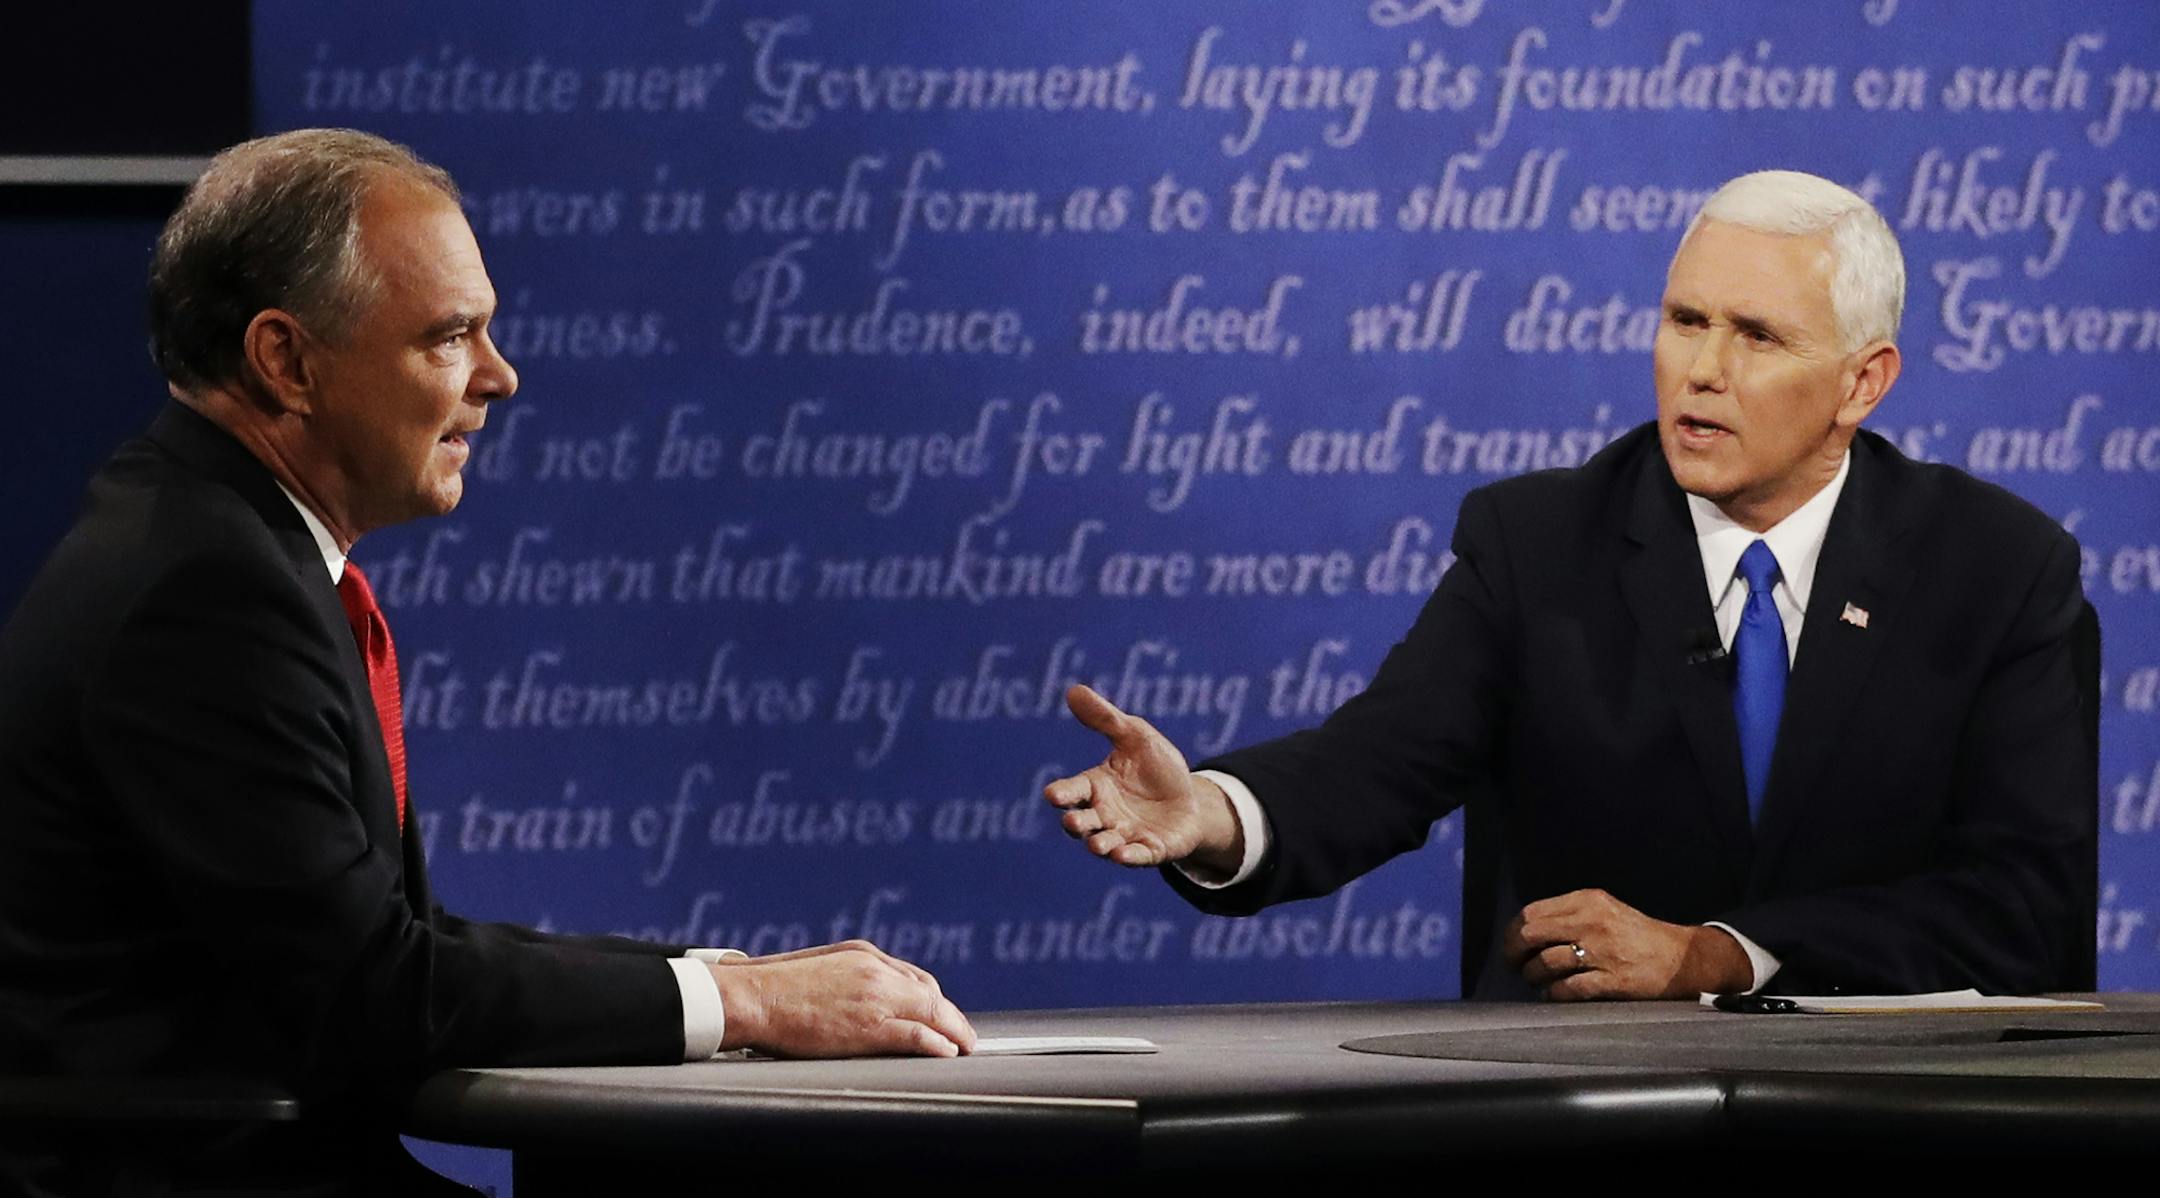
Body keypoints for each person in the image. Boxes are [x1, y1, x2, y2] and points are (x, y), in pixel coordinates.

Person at [0, 129, 973, 1196]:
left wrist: (711, 977)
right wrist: (744, 1008)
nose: (499, 377)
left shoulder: (218, 540)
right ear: (287, 360)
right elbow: (373, 991)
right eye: (451, 335)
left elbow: (395, 940)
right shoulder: (203, 594)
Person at [1046, 170, 2090, 1003]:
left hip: (1892, 1129)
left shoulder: (1997, 570)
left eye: (1756, 335)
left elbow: (2024, 907)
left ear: (1865, 381)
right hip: (1586, 1123)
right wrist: (1215, 813)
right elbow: (1376, 765)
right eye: (1686, 320)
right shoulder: (1539, 544)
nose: (1702, 368)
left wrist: (1720, 954)